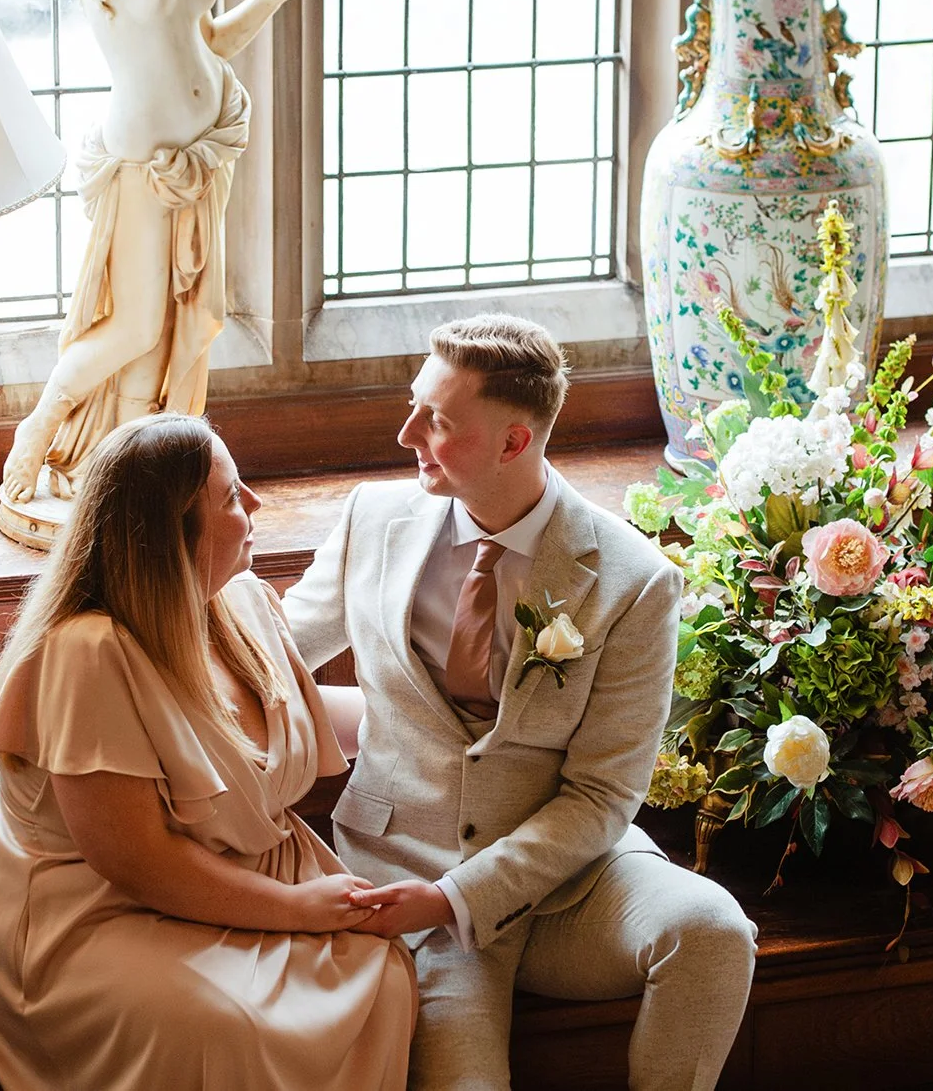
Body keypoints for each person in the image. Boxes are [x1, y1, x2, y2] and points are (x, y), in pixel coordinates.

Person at [283, 314, 758, 1091]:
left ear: (514, 442)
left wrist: (457, 895)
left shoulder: (634, 580)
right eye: (414, 407)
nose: (407, 434)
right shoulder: (372, 519)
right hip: (406, 883)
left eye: (438, 421)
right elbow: (270, 657)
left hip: (572, 888)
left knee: (713, 931)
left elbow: (603, 794)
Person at [0, 414, 415, 1091]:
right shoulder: (88, 653)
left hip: (239, 871)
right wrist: (298, 909)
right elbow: (136, 860)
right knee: (231, 1029)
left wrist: (452, 720)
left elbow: (293, 722)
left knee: (382, 971)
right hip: (91, 907)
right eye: (230, 496)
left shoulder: (240, 601)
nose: (255, 502)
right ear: (171, 535)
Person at [0, 0, 313, 502]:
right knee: (136, 324)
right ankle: (40, 427)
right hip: (146, 166)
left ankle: (125, 471)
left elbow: (212, 42)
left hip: (203, 154)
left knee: (170, 328)